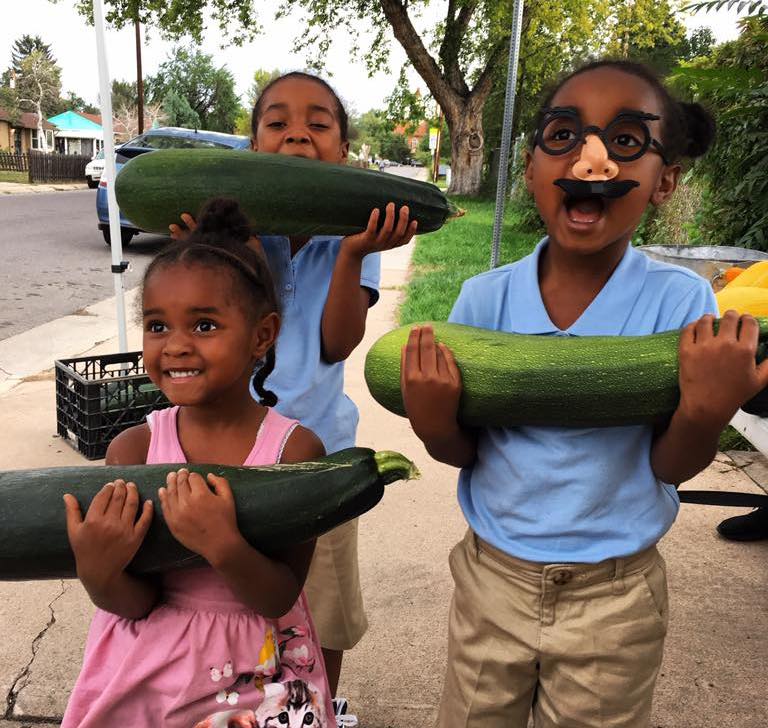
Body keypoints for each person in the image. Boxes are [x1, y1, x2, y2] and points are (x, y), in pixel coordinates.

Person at [401, 59, 768, 728]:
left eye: (626, 142)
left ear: (666, 180)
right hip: (495, 577)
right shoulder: (485, 299)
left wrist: (707, 412)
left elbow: (669, 466)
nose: (590, 161)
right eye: (563, 136)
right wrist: (434, 427)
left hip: (616, 591)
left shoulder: (680, 302)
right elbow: (468, 452)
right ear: (533, 166)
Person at [170, 71, 417, 718]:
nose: (297, 133)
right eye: (276, 123)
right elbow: (227, 339)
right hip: (229, 458)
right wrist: (233, 253)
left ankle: (320, 709)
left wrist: (351, 257)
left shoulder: (355, 234)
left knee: (324, 614)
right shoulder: (226, 235)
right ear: (252, 149)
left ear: (342, 152)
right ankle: (241, 707)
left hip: (319, 460)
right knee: (228, 605)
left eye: (318, 122)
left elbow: (338, 344)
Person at [61, 198, 335, 727]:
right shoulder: (133, 451)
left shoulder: (295, 453)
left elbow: (280, 596)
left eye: (205, 326)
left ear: (263, 335)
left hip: (253, 681)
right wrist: (98, 574)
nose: (176, 346)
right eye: (157, 326)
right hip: (150, 676)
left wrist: (223, 544)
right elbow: (137, 602)